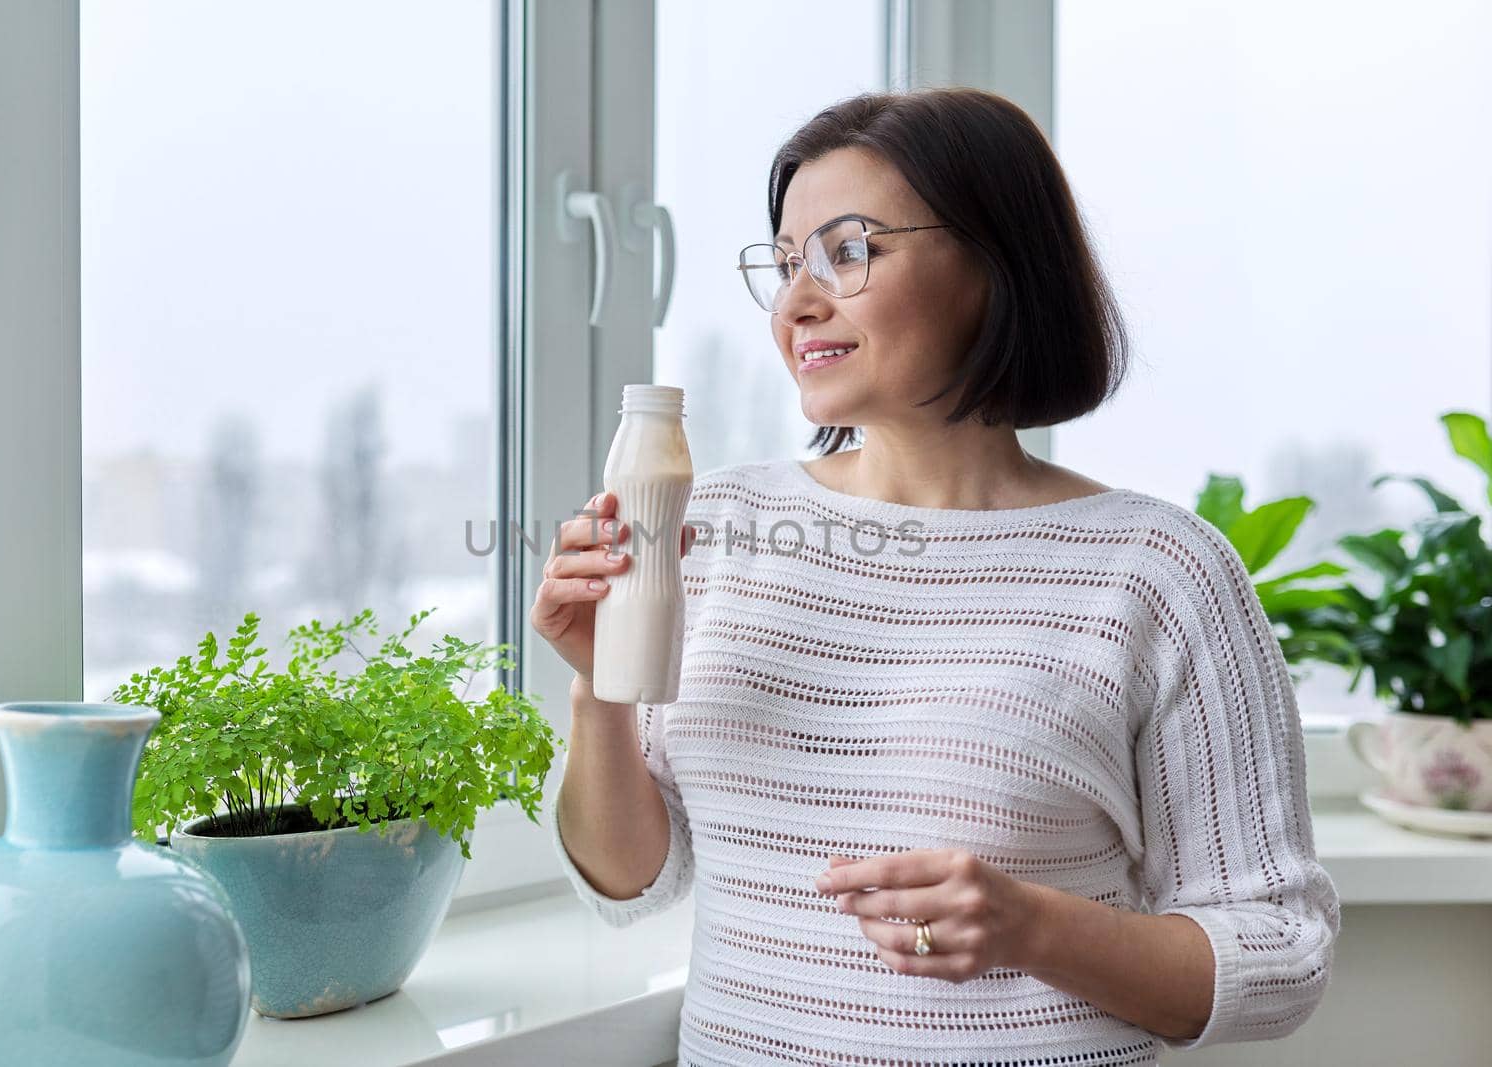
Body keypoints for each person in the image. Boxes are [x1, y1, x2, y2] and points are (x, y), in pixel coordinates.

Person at [531, 86, 1339, 1066]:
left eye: (848, 250)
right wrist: (597, 686)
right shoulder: (717, 528)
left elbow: (1279, 955)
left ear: (994, 263)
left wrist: (1027, 925)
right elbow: (630, 880)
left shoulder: (1158, 571)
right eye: (784, 265)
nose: (797, 302)